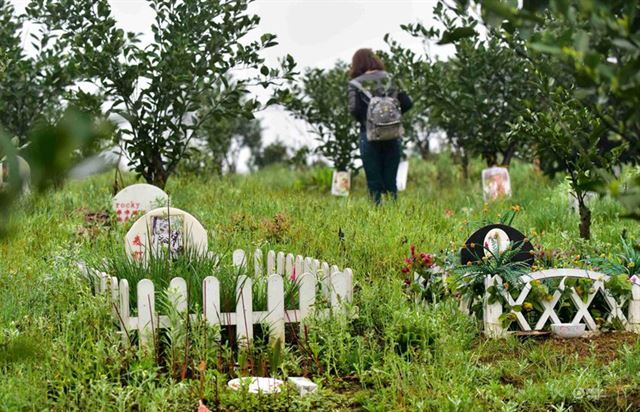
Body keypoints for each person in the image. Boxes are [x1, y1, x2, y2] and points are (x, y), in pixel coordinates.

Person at [348, 48, 412, 204]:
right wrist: (391, 117)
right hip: (392, 135)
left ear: (357, 64)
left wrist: (370, 120)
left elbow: (354, 109)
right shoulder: (391, 79)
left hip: (368, 135)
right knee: (391, 183)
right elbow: (408, 103)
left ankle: (378, 218)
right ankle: (394, 217)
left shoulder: (355, 84)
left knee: (374, 183)